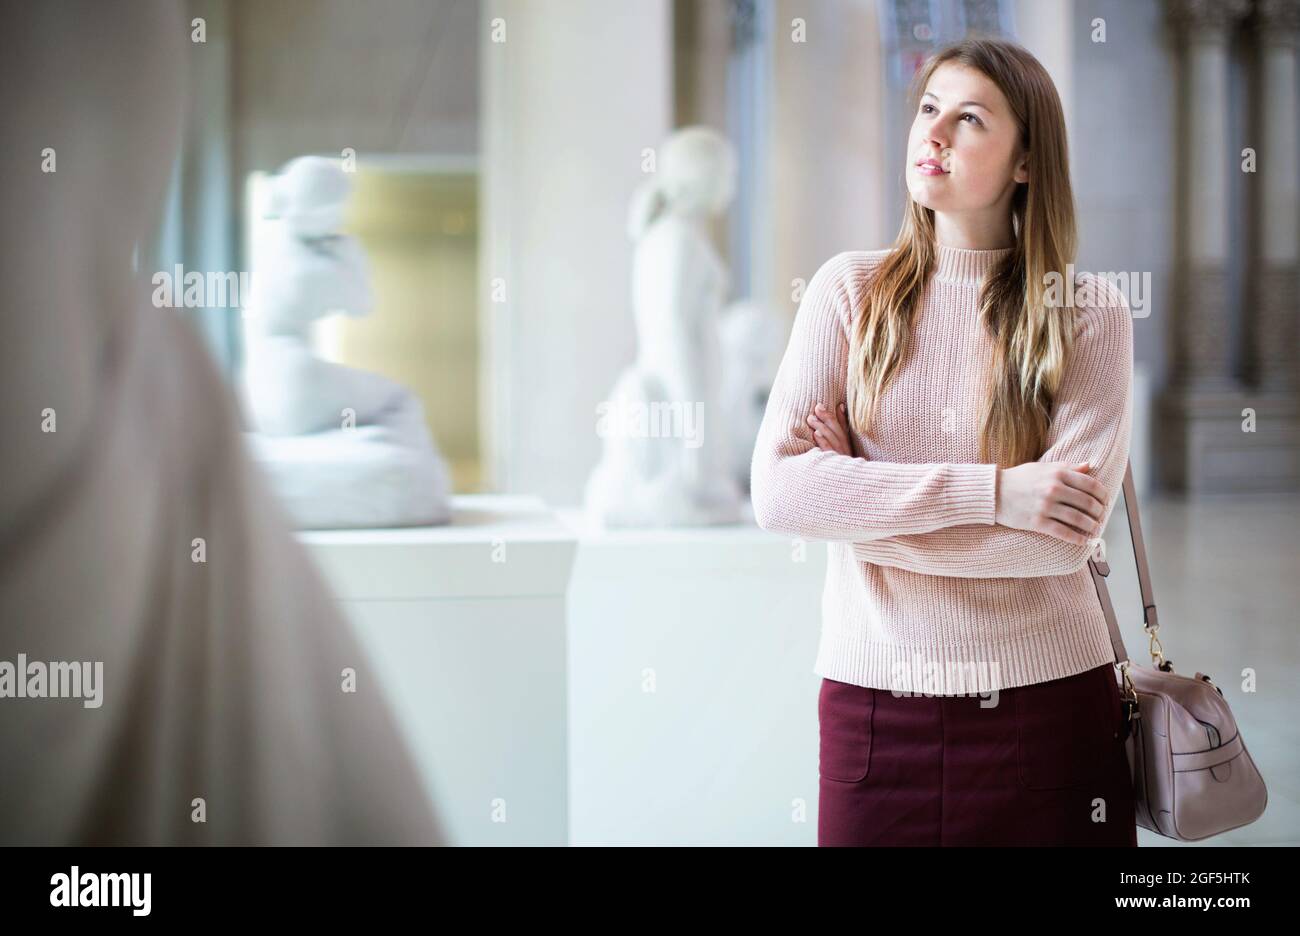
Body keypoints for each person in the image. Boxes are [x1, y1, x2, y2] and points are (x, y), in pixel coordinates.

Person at [0, 0, 443, 845]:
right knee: (397, 423)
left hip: (149, 394)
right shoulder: (291, 259)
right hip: (218, 394)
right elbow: (361, 296)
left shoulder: (178, 373)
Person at [750, 37, 1137, 846]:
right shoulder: (848, 291)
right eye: (929, 109)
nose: (933, 134)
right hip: (875, 709)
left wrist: (859, 496)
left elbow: (1057, 548)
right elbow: (781, 493)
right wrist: (1000, 495)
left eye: (968, 120)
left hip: (1051, 704)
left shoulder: (1089, 312)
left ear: (1026, 162)